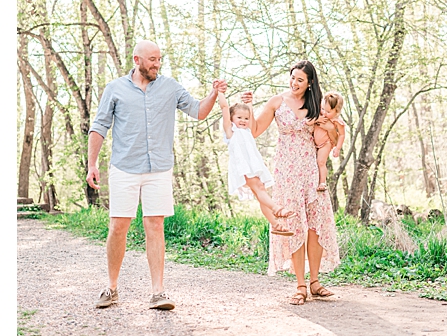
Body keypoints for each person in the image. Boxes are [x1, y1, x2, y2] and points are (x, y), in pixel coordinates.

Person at [84, 41, 224, 311]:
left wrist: (213, 94)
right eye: (151, 59)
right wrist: (92, 164)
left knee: (155, 226)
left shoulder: (170, 87)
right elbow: (99, 127)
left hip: (158, 168)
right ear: (137, 59)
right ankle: (111, 288)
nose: (156, 64)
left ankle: (158, 292)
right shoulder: (115, 89)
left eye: (159, 59)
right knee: (118, 227)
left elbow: (198, 112)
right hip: (124, 167)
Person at [250, 62, 342, 303]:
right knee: (295, 225)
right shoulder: (277, 101)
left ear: (310, 83)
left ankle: (315, 282)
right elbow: (255, 129)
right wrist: (248, 107)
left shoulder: (317, 104)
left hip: (311, 169)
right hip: (287, 171)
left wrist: (329, 133)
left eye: (300, 80)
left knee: (315, 226)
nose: (294, 83)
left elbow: (332, 136)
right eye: (293, 78)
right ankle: (300, 285)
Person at [224, 99, 292, 238]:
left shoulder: (248, 131)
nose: (243, 120)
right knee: (259, 188)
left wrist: (249, 103)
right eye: (239, 118)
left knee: (260, 193)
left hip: (254, 165)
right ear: (231, 118)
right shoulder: (231, 132)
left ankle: (275, 224)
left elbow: (251, 117)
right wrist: (220, 92)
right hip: (242, 167)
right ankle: (276, 209)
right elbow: (224, 107)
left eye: (246, 118)